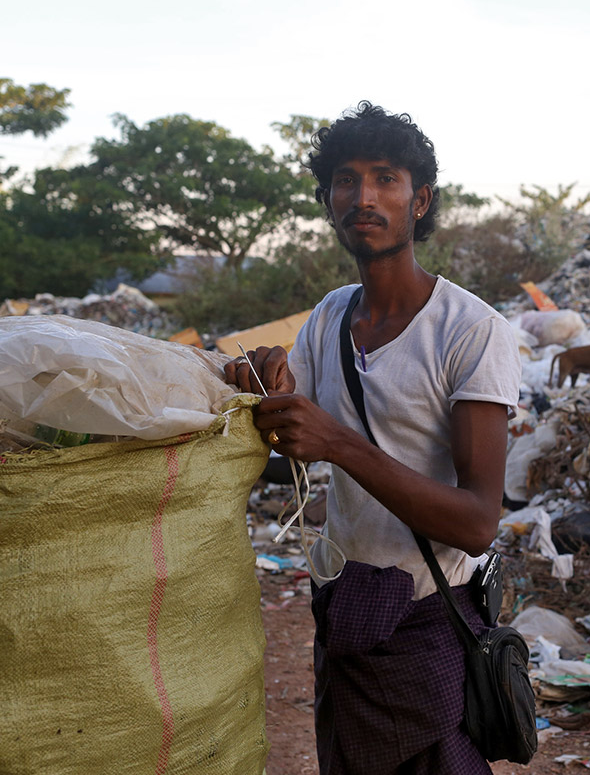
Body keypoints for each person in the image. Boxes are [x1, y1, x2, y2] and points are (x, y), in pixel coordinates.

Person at [225, 101, 520, 775]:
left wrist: (339, 445)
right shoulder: (329, 317)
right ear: (327, 201)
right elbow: (289, 424)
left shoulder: (470, 331)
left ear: (421, 202)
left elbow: (477, 523)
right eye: (346, 181)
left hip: (428, 623)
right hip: (347, 614)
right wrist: (257, 384)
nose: (364, 197)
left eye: (386, 178)